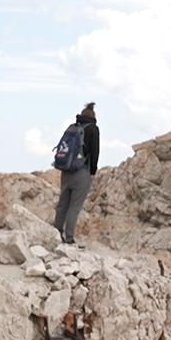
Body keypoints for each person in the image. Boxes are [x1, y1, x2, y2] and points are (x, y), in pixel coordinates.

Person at [51, 103, 99, 245]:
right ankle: (69, 238)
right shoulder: (93, 129)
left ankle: (56, 234)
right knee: (74, 206)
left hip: (66, 171)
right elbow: (95, 152)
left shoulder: (73, 127)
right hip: (81, 171)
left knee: (62, 204)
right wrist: (92, 172)